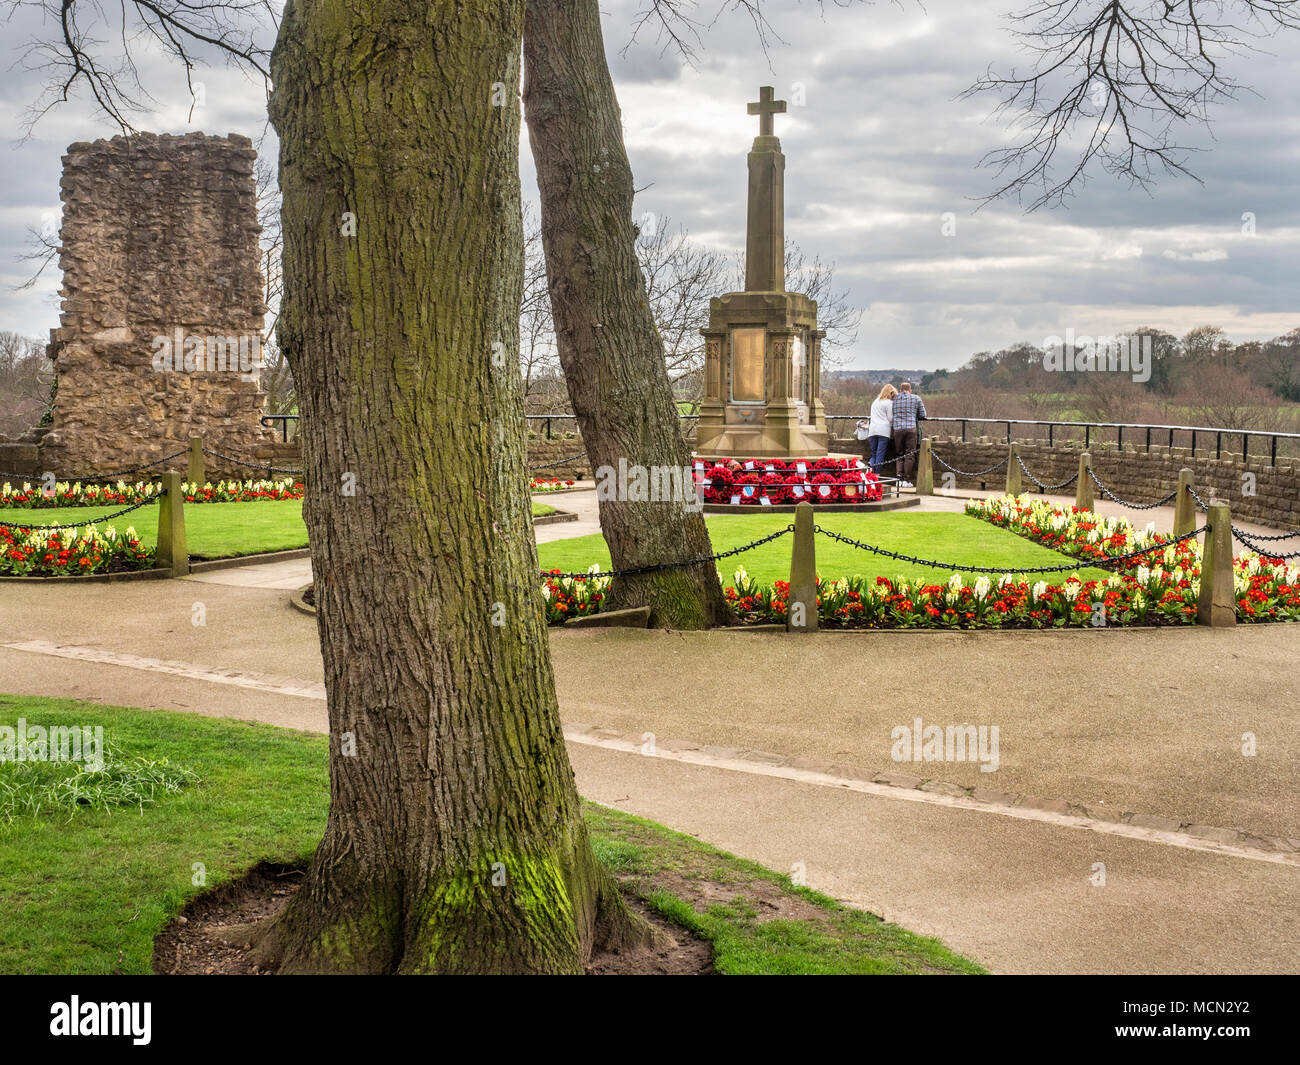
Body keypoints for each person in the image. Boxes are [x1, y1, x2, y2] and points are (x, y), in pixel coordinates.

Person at [891, 381, 927, 487]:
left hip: (897, 429)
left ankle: (899, 478)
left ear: (900, 390)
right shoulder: (916, 398)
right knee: (910, 454)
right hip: (911, 428)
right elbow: (923, 414)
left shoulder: (894, 399)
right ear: (910, 390)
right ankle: (907, 480)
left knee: (899, 454)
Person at [866, 384, 896, 474]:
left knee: (874, 453)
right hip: (883, 430)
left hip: (872, 430)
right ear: (891, 393)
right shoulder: (889, 403)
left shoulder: (875, 401)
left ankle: (870, 467)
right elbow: (890, 418)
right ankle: (877, 474)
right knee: (880, 454)